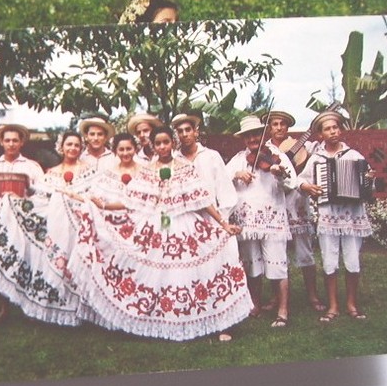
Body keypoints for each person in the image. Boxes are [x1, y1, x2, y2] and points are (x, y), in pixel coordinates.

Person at [69, 126, 252, 341]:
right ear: (153, 146)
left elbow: (202, 200)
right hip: (158, 224)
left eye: (166, 142)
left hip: (185, 222)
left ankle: (217, 321)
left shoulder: (184, 167)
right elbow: (132, 200)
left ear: (172, 143)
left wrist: (223, 223)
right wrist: (105, 207)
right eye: (158, 143)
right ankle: (159, 318)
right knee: (159, 274)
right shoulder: (147, 170)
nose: (162, 147)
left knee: (198, 269)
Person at [0, 130, 97, 327]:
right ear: (61, 147)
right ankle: (58, 306)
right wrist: (14, 202)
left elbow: (95, 196)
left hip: (80, 228)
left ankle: (84, 309)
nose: (73, 148)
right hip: (57, 229)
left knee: (79, 265)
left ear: (81, 148)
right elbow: (38, 201)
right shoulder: (51, 173)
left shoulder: (91, 171)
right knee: (58, 263)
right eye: (69, 144)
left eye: (77, 145)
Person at [298, 111, 373, 323]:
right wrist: (308, 186)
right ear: (321, 134)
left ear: (340, 130)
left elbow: (367, 190)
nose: (333, 132)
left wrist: (368, 180)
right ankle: (332, 306)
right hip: (328, 215)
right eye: (327, 129)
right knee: (329, 260)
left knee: (352, 260)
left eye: (335, 128)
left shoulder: (354, 156)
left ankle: (351, 304)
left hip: (351, 215)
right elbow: (300, 181)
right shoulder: (316, 158)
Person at [226, 115, 297, 328]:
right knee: (251, 265)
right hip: (247, 223)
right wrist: (236, 174)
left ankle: (283, 310)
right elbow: (220, 180)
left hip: (272, 220)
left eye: (256, 134)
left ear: (262, 134)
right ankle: (254, 304)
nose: (253, 139)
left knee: (277, 265)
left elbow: (291, 183)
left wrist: (279, 174)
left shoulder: (276, 156)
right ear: (244, 138)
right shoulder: (238, 159)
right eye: (248, 136)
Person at [260, 110, 326, 313]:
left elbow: (315, 159)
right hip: (274, 202)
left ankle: (313, 295)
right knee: (275, 253)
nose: (279, 127)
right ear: (269, 128)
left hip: (296, 201)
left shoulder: (302, 145)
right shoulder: (264, 149)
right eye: (275, 124)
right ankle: (276, 296)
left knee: (305, 252)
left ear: (288, 127)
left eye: (282, 124)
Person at [0, 123, 44, 325]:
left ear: (22, 142)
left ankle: (27, 306)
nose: (11, 144)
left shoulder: (31, 167)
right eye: (7, 140)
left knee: (26, 260)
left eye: (15, 140)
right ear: (1, 141)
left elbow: (42, 195)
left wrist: (28, 189)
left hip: (23, 222)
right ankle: (3, 307)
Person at [171, 112, 237, 221]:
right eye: (180, 131)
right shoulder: (173, 159)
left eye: (188, 130)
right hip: (184, 222)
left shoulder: (211, 156)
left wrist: (221, 219)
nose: (184, 134)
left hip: (212, 220)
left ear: (195, 132)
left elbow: (226, 192)